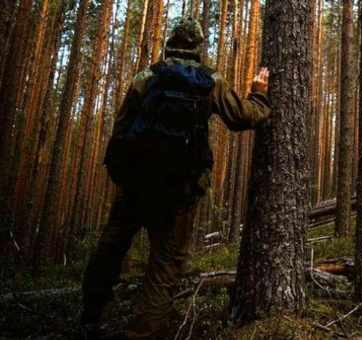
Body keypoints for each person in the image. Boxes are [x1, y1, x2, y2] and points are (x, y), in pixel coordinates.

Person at [80, 17, 270, 340]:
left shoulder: (147, 77)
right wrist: (259, 95)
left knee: (110, 250)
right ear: (198, 46)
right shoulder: (209, 81)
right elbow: (243, 117)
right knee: (163, 269)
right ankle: (140, 334)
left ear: (170, 42)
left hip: (135, 186)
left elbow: (121, 130)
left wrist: (122, 175)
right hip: (178, 193)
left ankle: (88, 319)